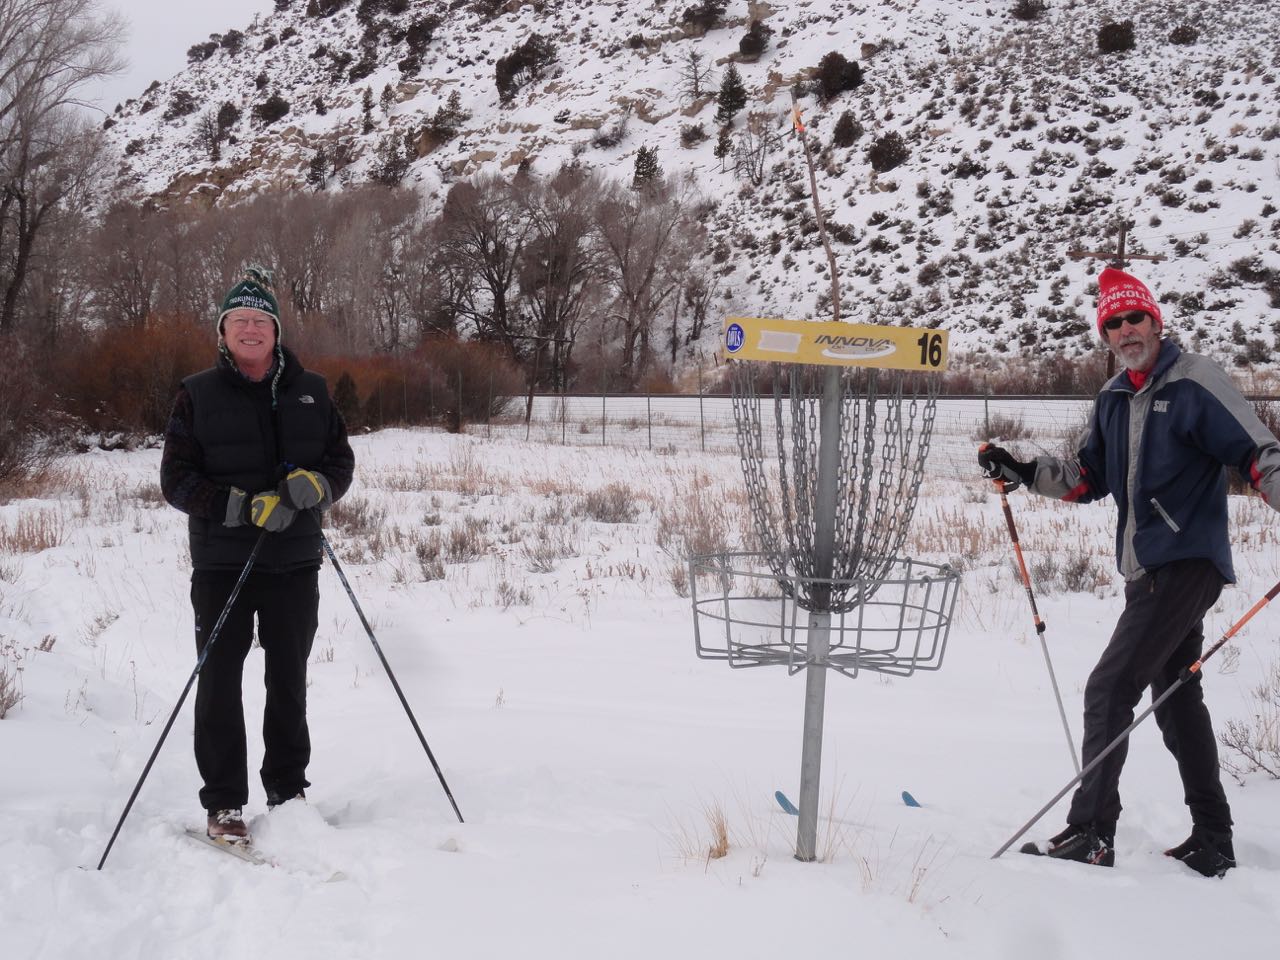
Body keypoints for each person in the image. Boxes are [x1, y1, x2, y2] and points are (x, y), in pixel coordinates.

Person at [979, 266, 1280, 878]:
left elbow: (1257, 451)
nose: (1124, 330)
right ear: (1105, 334)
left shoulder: (1196, 381)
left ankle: (1091, 831)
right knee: (1174, 697)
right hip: (1144, 569)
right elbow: (1088, 478)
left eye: (1133, 317)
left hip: (1186, 562)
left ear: (1155, 319)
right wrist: (1022, 470)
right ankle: (1214, 837)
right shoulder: (1114, 396)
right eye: (1112, 323)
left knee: (1110, 688)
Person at [161, 266, 354, 843]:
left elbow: (339, 462)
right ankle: (223, 803)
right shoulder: (195, 393)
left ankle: (288, 791)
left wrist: (318, 487)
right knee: (219, 682)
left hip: (295, 561)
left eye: (260, 320)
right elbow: (176, 481)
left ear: (275, 330)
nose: (250, 329)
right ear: (223, 331)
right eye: (239, 320)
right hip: (223, 563)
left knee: (288, 680)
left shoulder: (313, 390)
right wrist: (240, 506)